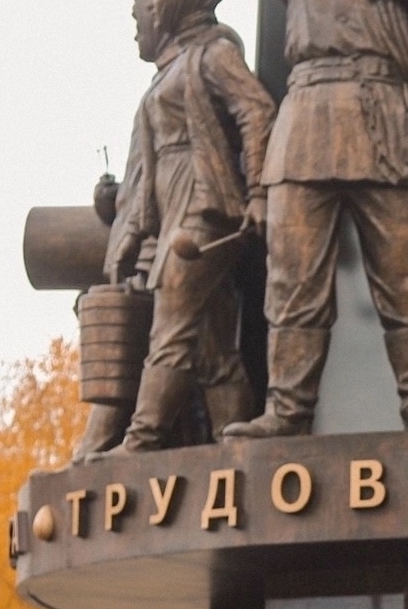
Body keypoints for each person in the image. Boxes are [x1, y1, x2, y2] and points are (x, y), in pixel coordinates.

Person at [222, 0, 408, 438]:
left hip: (380, 110)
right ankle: (286, 410)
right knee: (293, 281)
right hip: (305, 110)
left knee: (407, 282)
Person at [104, 0, 274, 454]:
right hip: (173, 211)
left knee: (171, 329)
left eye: (142, 6)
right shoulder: (167, 70)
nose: (135, 15)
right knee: (212, 350)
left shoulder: (213, 54)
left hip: (204, 209)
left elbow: (257, 111)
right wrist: (133, 230)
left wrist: (259, 190)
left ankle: (141, 440)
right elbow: (147, 166)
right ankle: (234, 449)